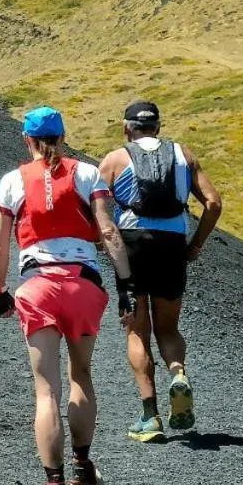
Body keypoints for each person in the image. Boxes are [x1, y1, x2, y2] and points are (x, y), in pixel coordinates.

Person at [0, 106, 137, 485]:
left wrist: (1, 293)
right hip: (83, 286)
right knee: (81, 376)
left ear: (27, 140)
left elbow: (0, 247)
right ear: (63, 136)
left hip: (36, 287)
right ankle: (81, 468)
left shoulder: (12, 181)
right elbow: (108, 231)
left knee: (45, 392)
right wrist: (125, 287)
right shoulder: (87, 174)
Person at [98, 100, 222, 442]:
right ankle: (178, 373)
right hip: (172, 246)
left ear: (126, 129)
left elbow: (93, 207)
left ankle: (150, 416)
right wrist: (195, 245)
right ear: (158, 127)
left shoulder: (115, 159)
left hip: (133, 246)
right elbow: (213, 203)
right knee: (168, 328)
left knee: (137, 331)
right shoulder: (184, 154)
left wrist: (99, 241)